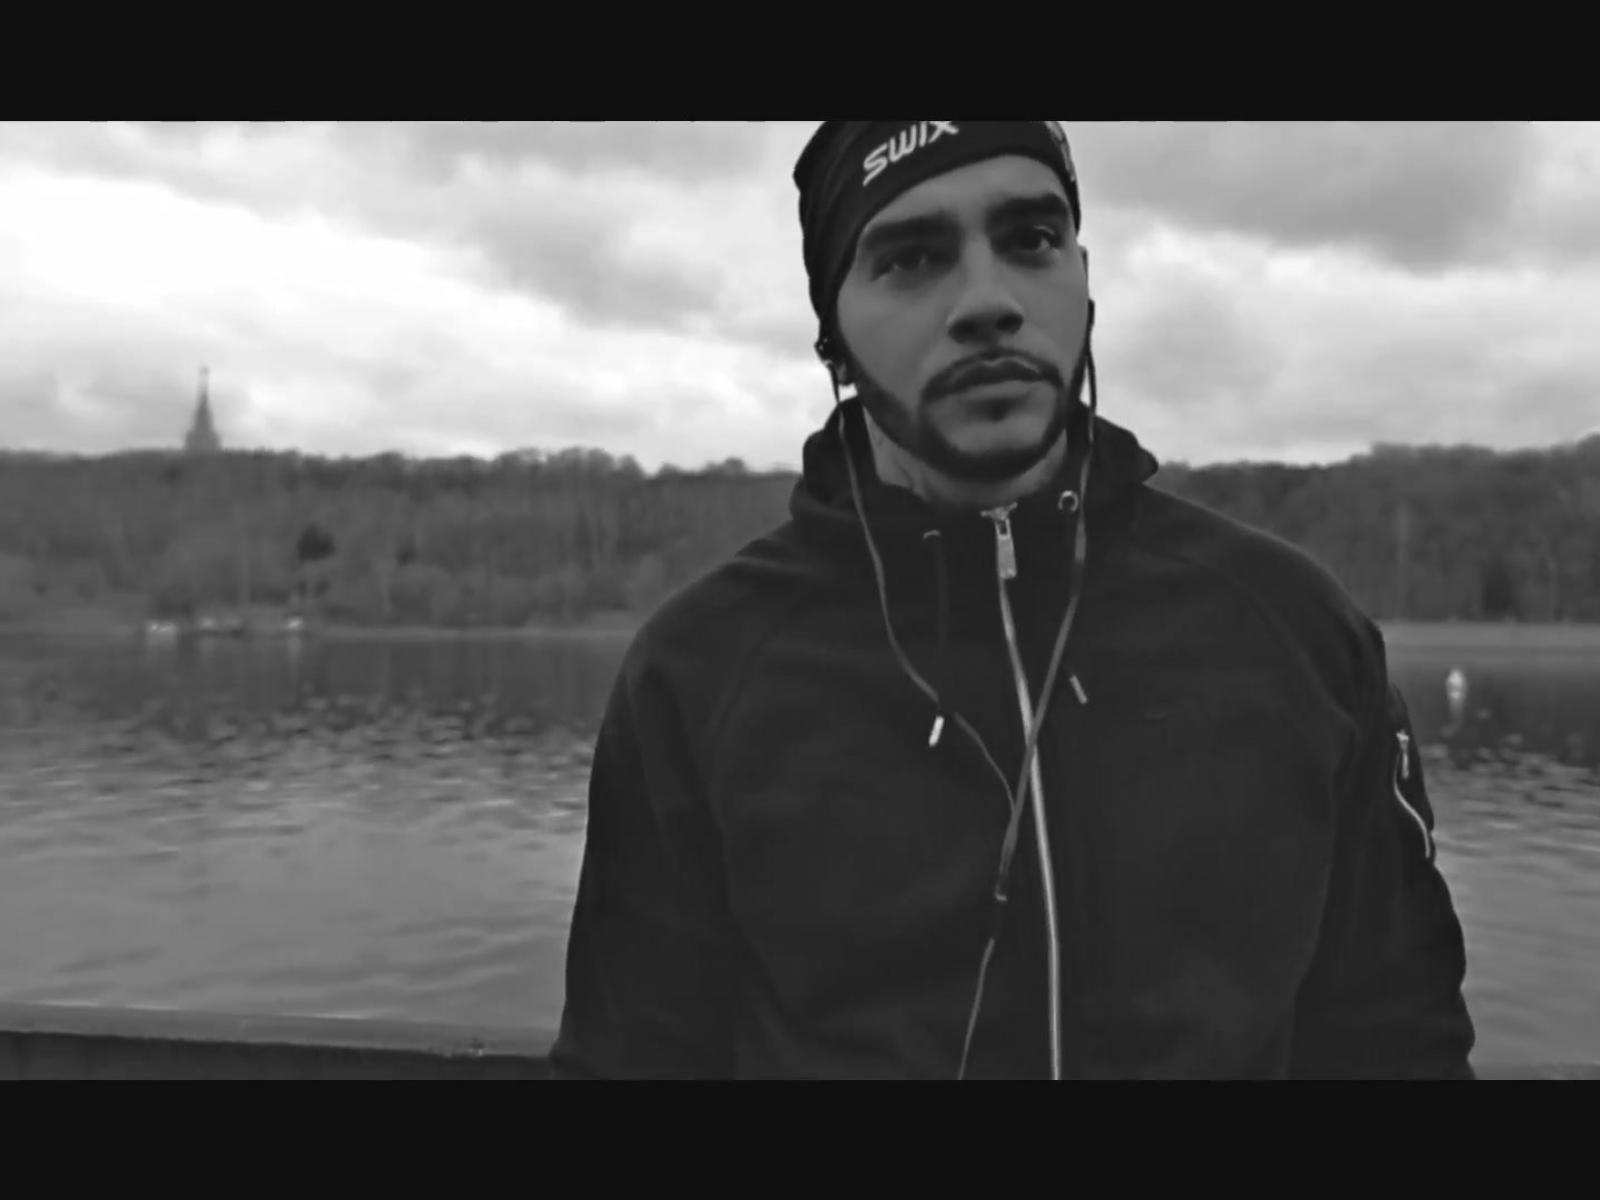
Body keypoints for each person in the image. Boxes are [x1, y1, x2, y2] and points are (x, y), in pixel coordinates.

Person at [548, 120, 1477, 1079]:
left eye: (1030, 239)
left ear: (1085, 279)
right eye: (912, 258)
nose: (987, 301)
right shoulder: (701, 672)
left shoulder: (1293, 631)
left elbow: (1399, 1043)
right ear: (833, 335)